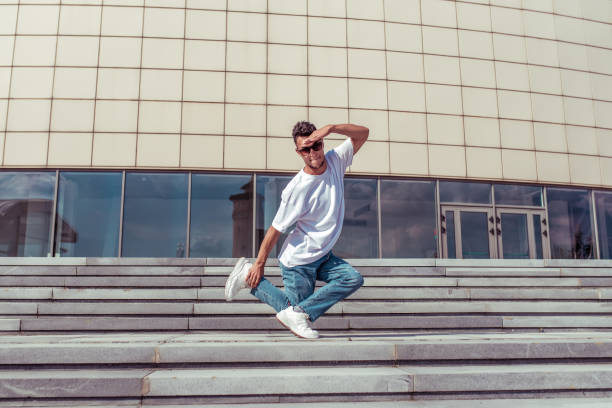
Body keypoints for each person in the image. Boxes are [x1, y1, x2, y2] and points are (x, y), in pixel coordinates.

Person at [225, 121, 369, 339]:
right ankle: (249, 276)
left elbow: (363, 134)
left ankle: (295, 311)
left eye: (316, 145)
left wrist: (331, 127)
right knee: (292, 309)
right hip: (299, 262)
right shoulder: (297, 189)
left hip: (323, 256)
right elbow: (275, 229)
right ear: (298, 152)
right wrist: (259, 263)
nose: (312, 153)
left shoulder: (336, 159)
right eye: (305, 149)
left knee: (352, 279)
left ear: (322, 142)